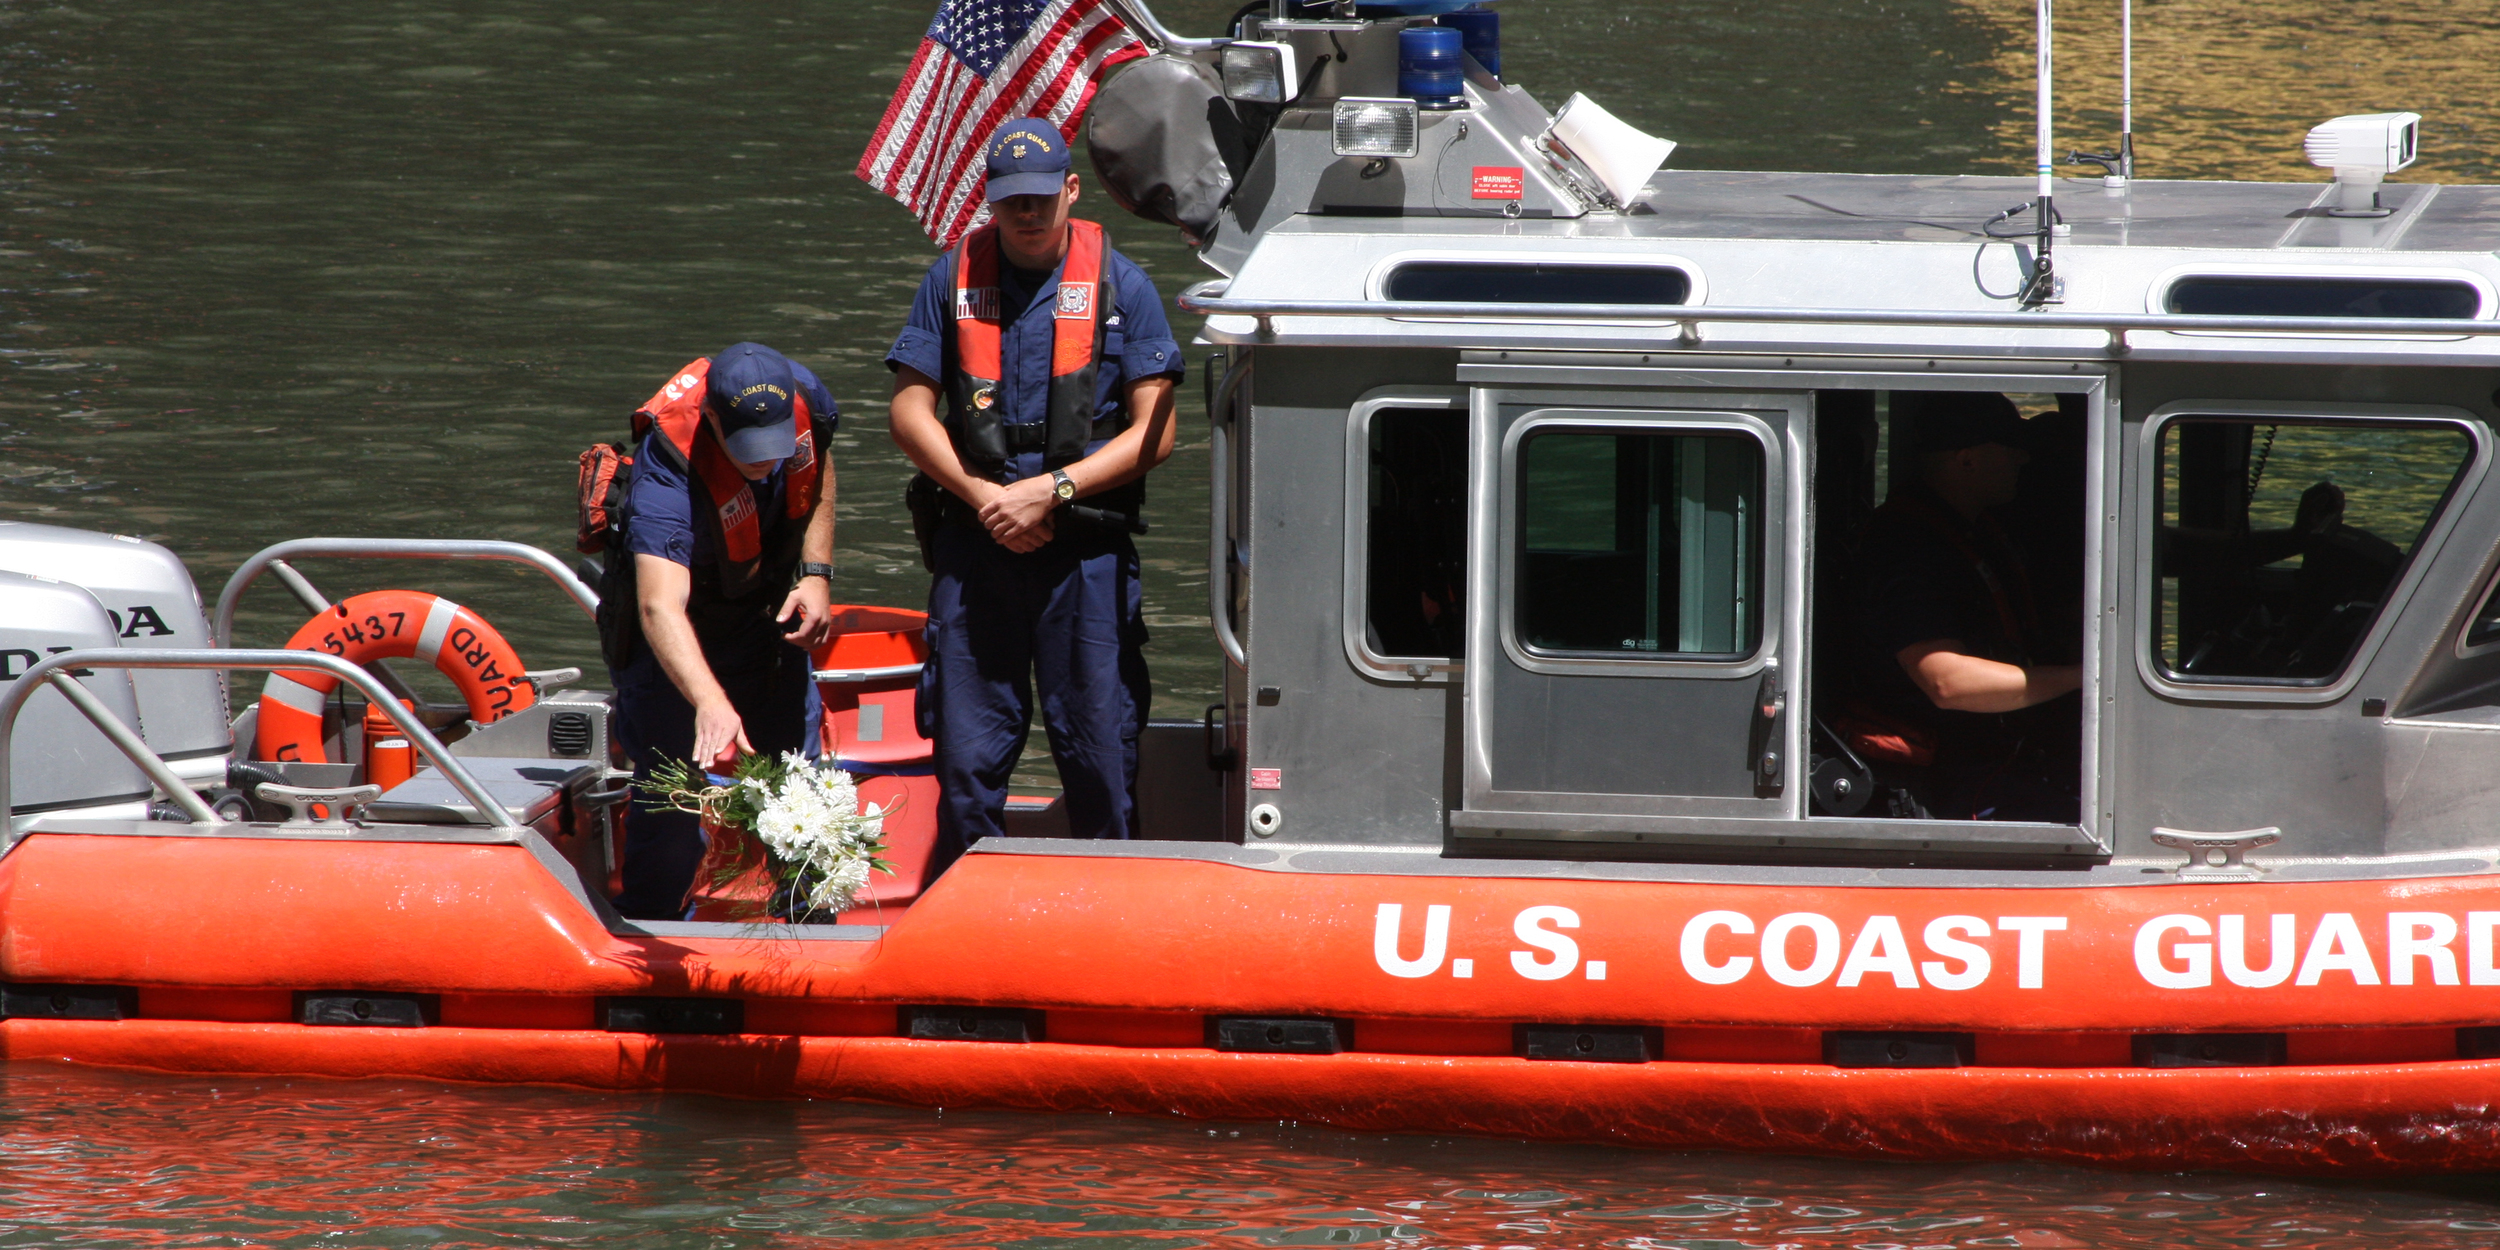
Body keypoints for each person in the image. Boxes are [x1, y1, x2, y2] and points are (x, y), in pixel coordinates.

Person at [885, 117, 1183, 868]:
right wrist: (985, 495)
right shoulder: (949, 279)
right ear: (989, 201)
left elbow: (1157, 432)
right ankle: (963, 923)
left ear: (1072, 191)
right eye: (1011, 200)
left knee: (1098, 753)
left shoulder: (1126, 287)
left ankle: (1107, 915)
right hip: (976, 545)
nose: (1027, 214)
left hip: (1082, 556)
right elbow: (909, 410)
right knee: (966, 756)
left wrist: (1049, 491)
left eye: (1042, 199)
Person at [604, 342, 839, 918]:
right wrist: (709, 702)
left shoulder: (806, 400)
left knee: (799, 789)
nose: (766, 462)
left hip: (764, 618)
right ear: (712, 419)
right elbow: (659, 607)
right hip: (680, 630)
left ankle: (811, 930)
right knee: (671, 804)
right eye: (749, 452)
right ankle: (655, 954)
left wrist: (816, 573)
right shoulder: (667, 469)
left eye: (775, 447)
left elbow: (822, 463)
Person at [1847, 393, 2078, 822]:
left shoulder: (1974, 528)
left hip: (1996, 759)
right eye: (2012, 448)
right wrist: (2090, 678)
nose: (2024, 459)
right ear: (1967, 460)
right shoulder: (1907, 547)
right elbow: (1946, 681)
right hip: (1952, 782)